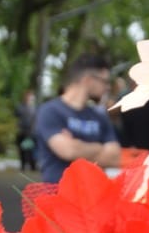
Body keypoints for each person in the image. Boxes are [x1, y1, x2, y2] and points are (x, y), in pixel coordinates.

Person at [34, 54, 123, 184]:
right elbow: (68, 150)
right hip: (57, 196)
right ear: (88, 80)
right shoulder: (50, 111)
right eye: (105, 81)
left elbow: (114, 157)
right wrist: (100, 148)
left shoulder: (99, 116)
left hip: (93, 197)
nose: (107, 87)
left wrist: (77, 146)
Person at [13, 88, 38, 171]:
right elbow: (16, 119)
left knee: (31, 150)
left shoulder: (34, 109)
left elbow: (35, 120)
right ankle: (23, 166)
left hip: (32, 132)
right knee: (23, 149)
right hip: (22, 132)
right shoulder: (20, 107)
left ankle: (32, 166)